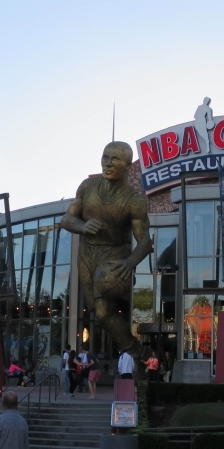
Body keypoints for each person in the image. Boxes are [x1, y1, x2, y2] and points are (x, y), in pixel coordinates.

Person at [60, 141, 153, 362]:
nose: (108, 163)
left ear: (128, 165)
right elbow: (66, 219)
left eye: (115, 159)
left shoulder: (134, 200)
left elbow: (145, 242)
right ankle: (138, 353)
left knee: (103, 313)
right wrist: (82, 226)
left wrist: (130, 263)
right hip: (87, 254)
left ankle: (138, 353)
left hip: (114, 254)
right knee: (99, 315)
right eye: (105, 158)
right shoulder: (87, 187)